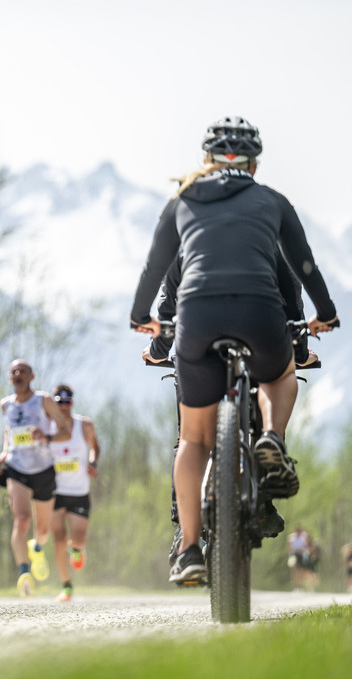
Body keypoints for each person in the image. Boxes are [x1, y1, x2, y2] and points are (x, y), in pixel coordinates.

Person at [130, 116, 339, 585]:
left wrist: (140, 318)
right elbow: (301, 266)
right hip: (261, 314)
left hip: (197, 320)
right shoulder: (271, 203)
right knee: (278, 377)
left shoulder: (183, 200)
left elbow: (157, 267)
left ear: (206, 161)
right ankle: (274, 439)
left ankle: (187, 549)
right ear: (256, 163)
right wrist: (324, 313)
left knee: (193, 440)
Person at [144, 248, 313, 571]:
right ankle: (264, 500)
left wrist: (157, 350)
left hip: (197, 346)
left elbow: (167, 308)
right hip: (260, 341)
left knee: (190, 437)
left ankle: (185, 528)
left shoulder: (185, 247)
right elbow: (292, 302)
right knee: (268, 409)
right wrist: (300, 352)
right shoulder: (269, 244)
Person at [0, 359, 72, 597]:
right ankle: (24, 573)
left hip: (44, 468)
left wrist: (45, 436)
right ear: (10, 378)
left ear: (31, 377)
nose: (17, 374)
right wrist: (5, 451)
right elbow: (9, 433)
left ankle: (37, 548)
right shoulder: (5, 405)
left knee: (43, 529)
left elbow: (65, 431)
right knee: (22, 519)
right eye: (13, 371)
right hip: (16, 468)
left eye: (22, 371)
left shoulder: (43, 400)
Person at [47, 385, 101, 602]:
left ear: (72, 403)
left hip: (79, 491)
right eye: (59, 402)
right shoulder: (48, 426)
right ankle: (66, 586)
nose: (63, 406)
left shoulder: (84, 424)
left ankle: (77, 550)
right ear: (54, 404)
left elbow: (95, 446)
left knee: (75, 541)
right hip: (54, 491)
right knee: (58, 540)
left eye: (67, 402)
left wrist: (92, 462)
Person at [287, 525, 312, 591]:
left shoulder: (304, 536)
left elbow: (307, 546)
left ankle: (301, 585)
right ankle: (295, 586)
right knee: (294, 570)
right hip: (293, 554)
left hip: (302, 554)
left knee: (302, 570)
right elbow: (289, 547)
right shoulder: (291, 537)